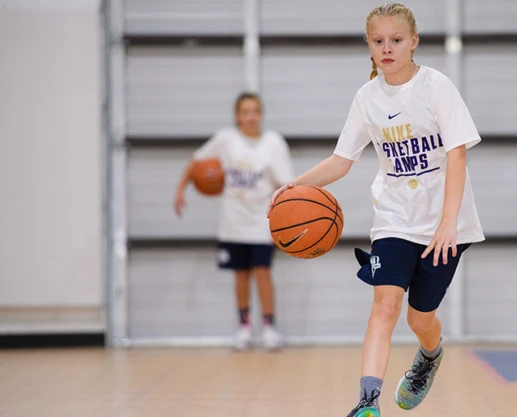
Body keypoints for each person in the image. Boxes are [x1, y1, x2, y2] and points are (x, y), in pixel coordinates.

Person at [268, 3, 484, 415]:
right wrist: (294, 186)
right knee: (385, 305)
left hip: (445, 224)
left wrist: (449, 222)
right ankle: (367, 403)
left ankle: (430, 355)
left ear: (414, 42)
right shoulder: (367, 98)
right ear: (369, 45)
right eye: (378, 41)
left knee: (420, 320)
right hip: (394, 219)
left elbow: (458, 155)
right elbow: (342, 160)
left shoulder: (436, 86)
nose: (387, 48)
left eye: (396, 40)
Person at [176, 92, 294, 351]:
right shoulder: (225, 139)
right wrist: (180, 190)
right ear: (237, 116)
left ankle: (269, 327)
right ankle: (243, 328)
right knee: (240, 275)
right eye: (245, 111)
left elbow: (285, 183)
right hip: (232, 222)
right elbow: (196, 161)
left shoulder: (273, 142)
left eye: (254, 111)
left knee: (262, 273)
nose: (250, 116)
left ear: (261, 114)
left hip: (261, 222)